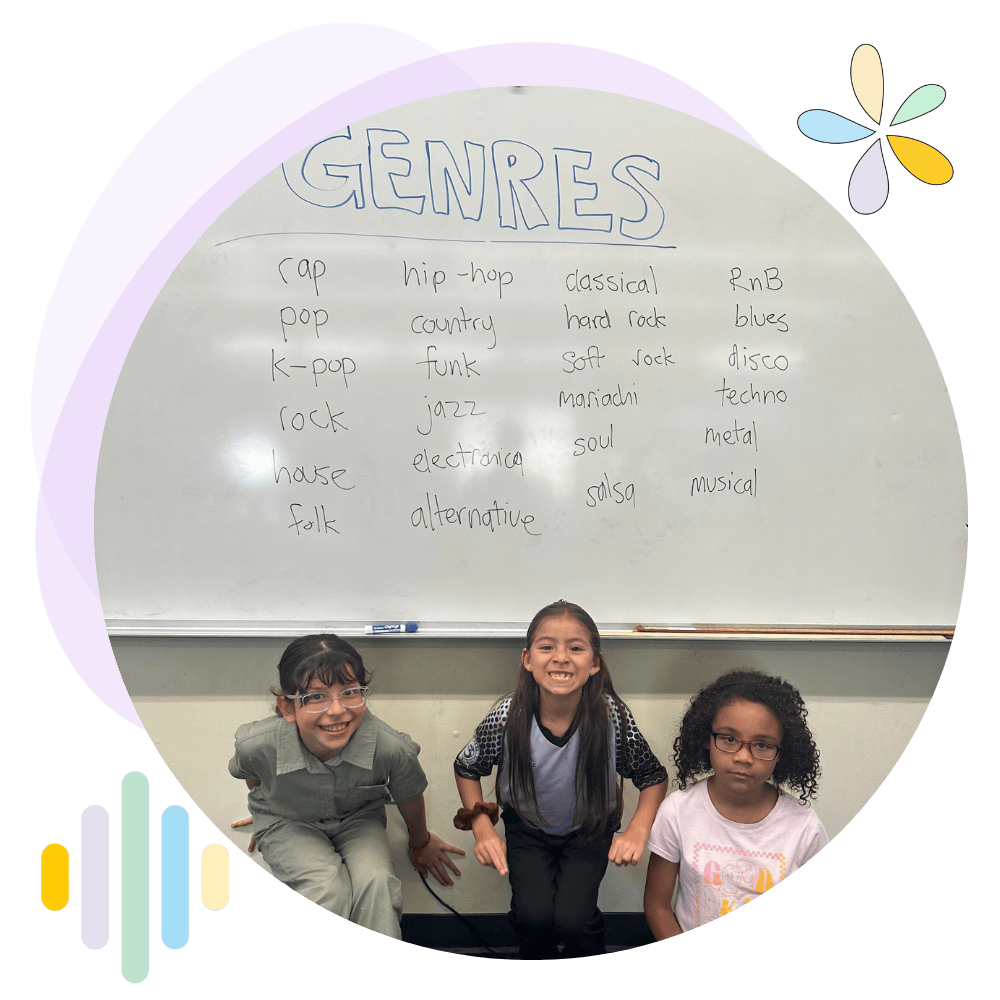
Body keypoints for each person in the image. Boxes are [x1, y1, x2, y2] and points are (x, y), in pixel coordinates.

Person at [454, 600, 668, 959]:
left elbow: (653, 777)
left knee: (574, 920)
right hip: (527, 828)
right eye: (547, 646)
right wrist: (482, 826)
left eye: (576, 648)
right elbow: (467, 769)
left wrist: (637, 831)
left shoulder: (612, 716)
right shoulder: (506, 716)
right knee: (532, 917)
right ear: (527, 659)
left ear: (595, 663)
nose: (561, 657)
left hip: (590, 829)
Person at [228, 634, 464, 940]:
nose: (337, 709)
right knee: (327, 888)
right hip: (288, 821)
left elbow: (409, 795)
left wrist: (419, 842)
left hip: (358, 819)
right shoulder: (256, 745)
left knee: (378, 884)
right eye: (316, 696)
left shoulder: (390, 748)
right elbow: (254, 778)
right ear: (287, 707)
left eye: (350, 692)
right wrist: (266, 812)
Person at [643, 669, 828, 938]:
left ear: (782, 755)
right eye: (729, 739)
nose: (743, 757)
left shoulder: (803, 825)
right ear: (707, 739)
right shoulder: (678, 811)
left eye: (762, 745)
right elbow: (657, 906)